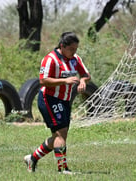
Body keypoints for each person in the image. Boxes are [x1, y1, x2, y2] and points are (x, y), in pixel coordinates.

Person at [24, 32, 91, 174]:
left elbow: (86, 74)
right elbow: (43, 80)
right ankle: (63, 169)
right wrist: (64, 80)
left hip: (65, 100)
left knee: (59, 136)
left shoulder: (75, 59)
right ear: (62, 46)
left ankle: (32, 158)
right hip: (49, 99)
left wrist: (83, 81)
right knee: (61, 134)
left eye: (76, 49)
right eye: (71, 49)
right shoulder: (50, 59)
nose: (74, 52)